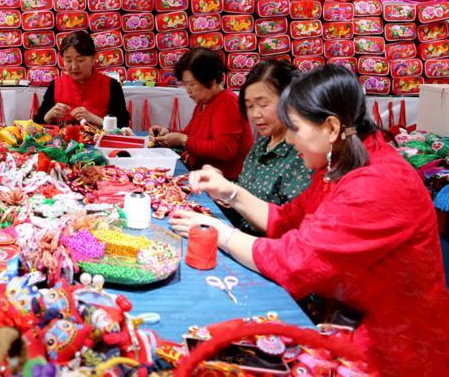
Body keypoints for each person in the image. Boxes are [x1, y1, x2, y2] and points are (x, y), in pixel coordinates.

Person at [169, 65, 449, 375]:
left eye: (296, 128)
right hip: (348, 320)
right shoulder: (341, 163)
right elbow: (285, 218)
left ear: (331, 128)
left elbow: (295, 260)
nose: (290, 141)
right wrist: (231, 192)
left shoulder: (376, 183)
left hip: (393, 348)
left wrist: (220, 233)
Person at [150, 48, 252, 180]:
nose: (188, 90)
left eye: (192, 84)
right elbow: (191, 135)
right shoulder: (204, 102)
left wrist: (183, 140)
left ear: (211, 80)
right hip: (204, 175)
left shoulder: (227, 102)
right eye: (185, 85)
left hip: (224, 181)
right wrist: (167, 133)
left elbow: (225, 149)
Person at [233, 60, 312, 231]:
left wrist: (232, 193)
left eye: (263, 105)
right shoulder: (262, 143)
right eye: (249, 106)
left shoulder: (303, 155)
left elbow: (292, 226)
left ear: (289, 102)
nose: (255, 114)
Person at [34, 31, 130, 128]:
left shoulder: (111, 85)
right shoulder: (55, 85)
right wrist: (48, 116)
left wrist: (96, 120)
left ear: (93, 58)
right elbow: (36, 125)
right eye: (68, 60)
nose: (74, 66)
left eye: (80, 60)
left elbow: (123, 126)